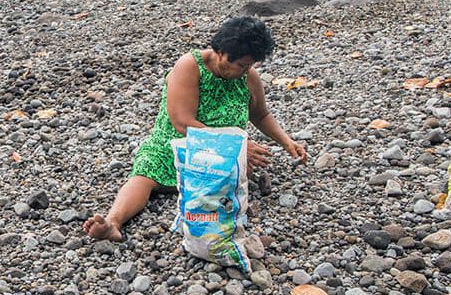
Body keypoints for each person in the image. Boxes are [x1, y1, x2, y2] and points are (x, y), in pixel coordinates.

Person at [84, 16, 307, 242]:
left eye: (249, 65)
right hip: (175, 145)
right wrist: (235, 147)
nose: (244, 70)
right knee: (144, 176)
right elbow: (182, 122)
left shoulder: (248, 77)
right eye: (240, 64)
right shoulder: (191, 66)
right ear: (221, 51)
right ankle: (113, 222)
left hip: (218, 158)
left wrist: (286, 141)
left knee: (237, 181)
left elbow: (260, 115)